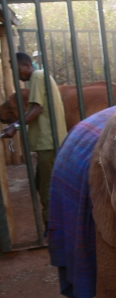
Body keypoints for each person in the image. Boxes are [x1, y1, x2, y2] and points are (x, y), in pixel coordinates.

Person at [1, 52, 67, 236]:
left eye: (17, 70)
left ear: (27, 66)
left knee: (46, 188)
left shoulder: (37, 76)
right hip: (49, 141)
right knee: (41, 183)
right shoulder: (41, 77)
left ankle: (52, 228)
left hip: (49, 142)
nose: (17, 75)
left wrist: (15, 126)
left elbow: (37, 108)